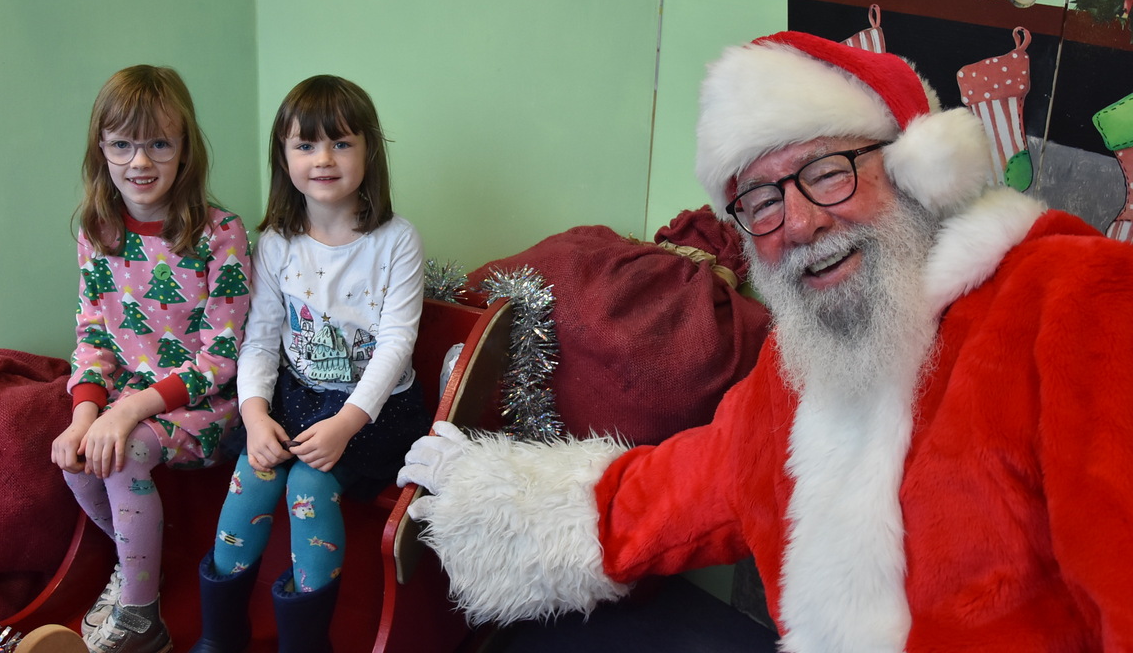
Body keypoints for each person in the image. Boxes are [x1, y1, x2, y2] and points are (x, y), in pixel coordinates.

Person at [398, 32, 1133, 652]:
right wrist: (495, 496)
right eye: (762, 198)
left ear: (917, 169)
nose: (800, 222)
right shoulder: (805, 366)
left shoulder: (1073, 300)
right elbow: (682, 492)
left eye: (826, 171)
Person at [189, 75, 428, 653]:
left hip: (375, 410)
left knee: (309, 485)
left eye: (342, 143)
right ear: (284, 155)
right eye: (306, 145)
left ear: (369, 152)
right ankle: (221, 637)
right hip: (296, 399)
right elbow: (262, 337)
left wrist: (348, 422)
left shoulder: (396, 241)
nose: (323, 158)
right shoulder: (275, 242)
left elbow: (397, 344)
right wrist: (252, 413)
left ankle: (305, 643)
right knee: (252, 475)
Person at [51, 65, 251, 653]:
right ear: (102, 151)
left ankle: (145, 623)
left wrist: (127, 413)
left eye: (159, 143)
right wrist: (87, 413)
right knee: (74, 456)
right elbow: (93, 335)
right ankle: (137, 564)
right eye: (122, 145)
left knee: (125, 452)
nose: (140, 162)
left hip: (202, 405)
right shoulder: (97, 230)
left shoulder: (221, 233)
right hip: (126, 399)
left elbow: (222, 357)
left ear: (185, 149)